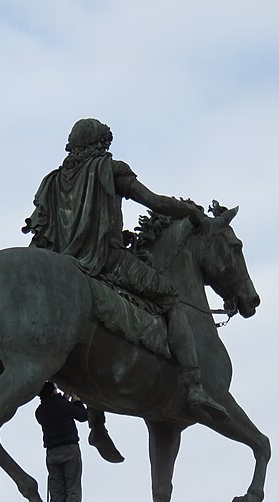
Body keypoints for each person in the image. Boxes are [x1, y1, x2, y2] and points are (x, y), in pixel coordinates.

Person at [22, 118, 228, 423]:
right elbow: (155, 202)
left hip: (65, 263)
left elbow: (40, 234)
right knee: (170, 299)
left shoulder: (52, 181)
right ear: (100, 144)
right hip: (108, 260)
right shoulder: (109, 169)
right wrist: (189, 211)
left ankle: (96, 421)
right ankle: (195, 385)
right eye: (105, 143)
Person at [35, 381, 88, 502]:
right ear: (53, 392)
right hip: (69, 449)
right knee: (72, 489)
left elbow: (55, 406)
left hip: (52, 454)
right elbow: (83, 416)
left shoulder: (40, 412)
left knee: (57, 491)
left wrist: (64, 398)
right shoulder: (62, 405)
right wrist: (77, 402)